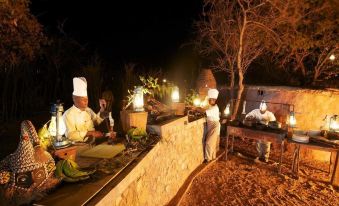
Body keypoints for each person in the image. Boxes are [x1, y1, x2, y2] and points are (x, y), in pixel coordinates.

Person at [63, 77, 114, 142]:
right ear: (75, 99)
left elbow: (96, 121)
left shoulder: (88, 110)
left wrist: (102, 109)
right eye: (83, 99)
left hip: (92, 144)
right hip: (79, 147)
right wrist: (90, 133)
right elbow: (70, 135)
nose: (86, 101)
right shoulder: (68, 114)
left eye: (86, 99)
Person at [199, 88, 220, 163]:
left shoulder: (215, 108)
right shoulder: (210, 106)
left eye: (210, 99)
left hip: (214, 125)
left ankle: (208, 159)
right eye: (209, 99)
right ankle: (212, 157)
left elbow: (204, 112)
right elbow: (202, 106)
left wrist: (196, 109)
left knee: (209, 142)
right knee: (212, 142)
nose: (208, 101)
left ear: (214, 100)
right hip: (210, 125)